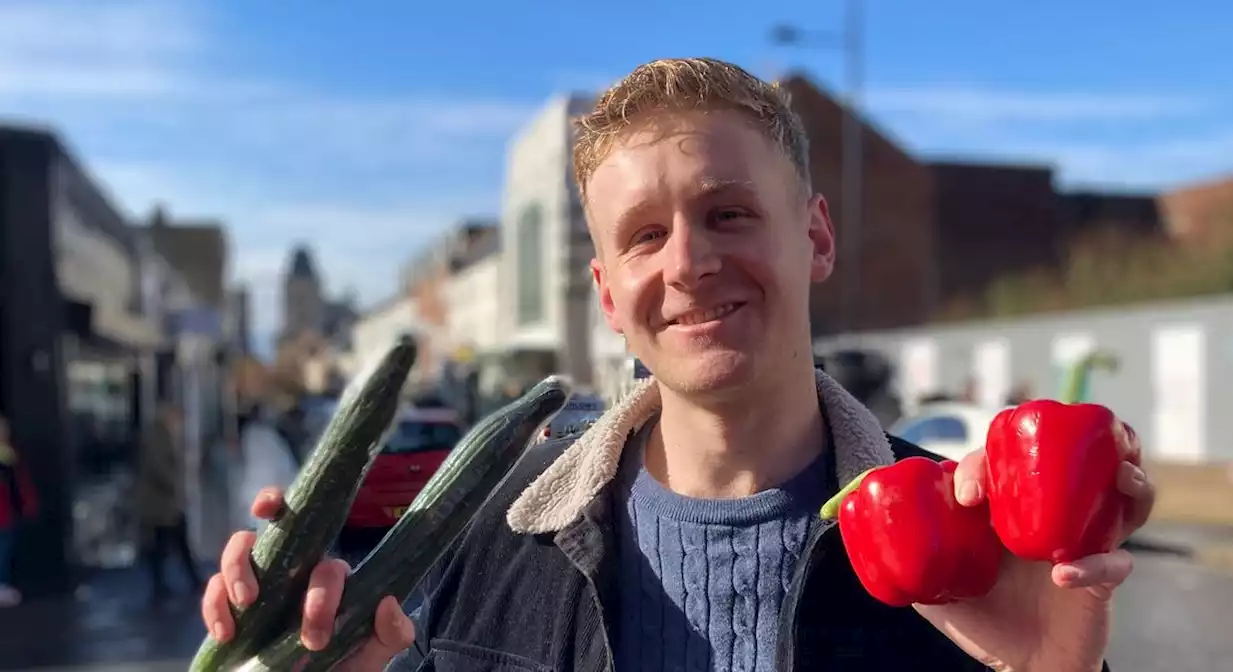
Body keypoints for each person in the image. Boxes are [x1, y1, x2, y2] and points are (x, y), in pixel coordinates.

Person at [201, 58, 1155, 671]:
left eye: (729, 214)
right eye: (644, 235)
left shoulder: (961, 548)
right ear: (609, 294)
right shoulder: (491, 537)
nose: (690, 264)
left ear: (815, 237)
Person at [137, 403, 202, 600]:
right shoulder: (158, 436)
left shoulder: (164, 435)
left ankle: (176, 583)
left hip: (165, 502)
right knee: (165, 543)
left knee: (167, 543)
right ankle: (172, 584)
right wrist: (174, 486)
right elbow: (158, 467)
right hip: (161, 503)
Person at [232, 405, 299, 532]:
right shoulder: (263, 436)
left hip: (267, 515)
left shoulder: (257, 437)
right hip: (268, 514)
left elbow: (262, 479)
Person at [0, 415, 38, 608]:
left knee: (6, 548)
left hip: (9, 512)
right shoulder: (7, 455)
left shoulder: (10, 454)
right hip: (4, 513)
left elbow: (19, 483)